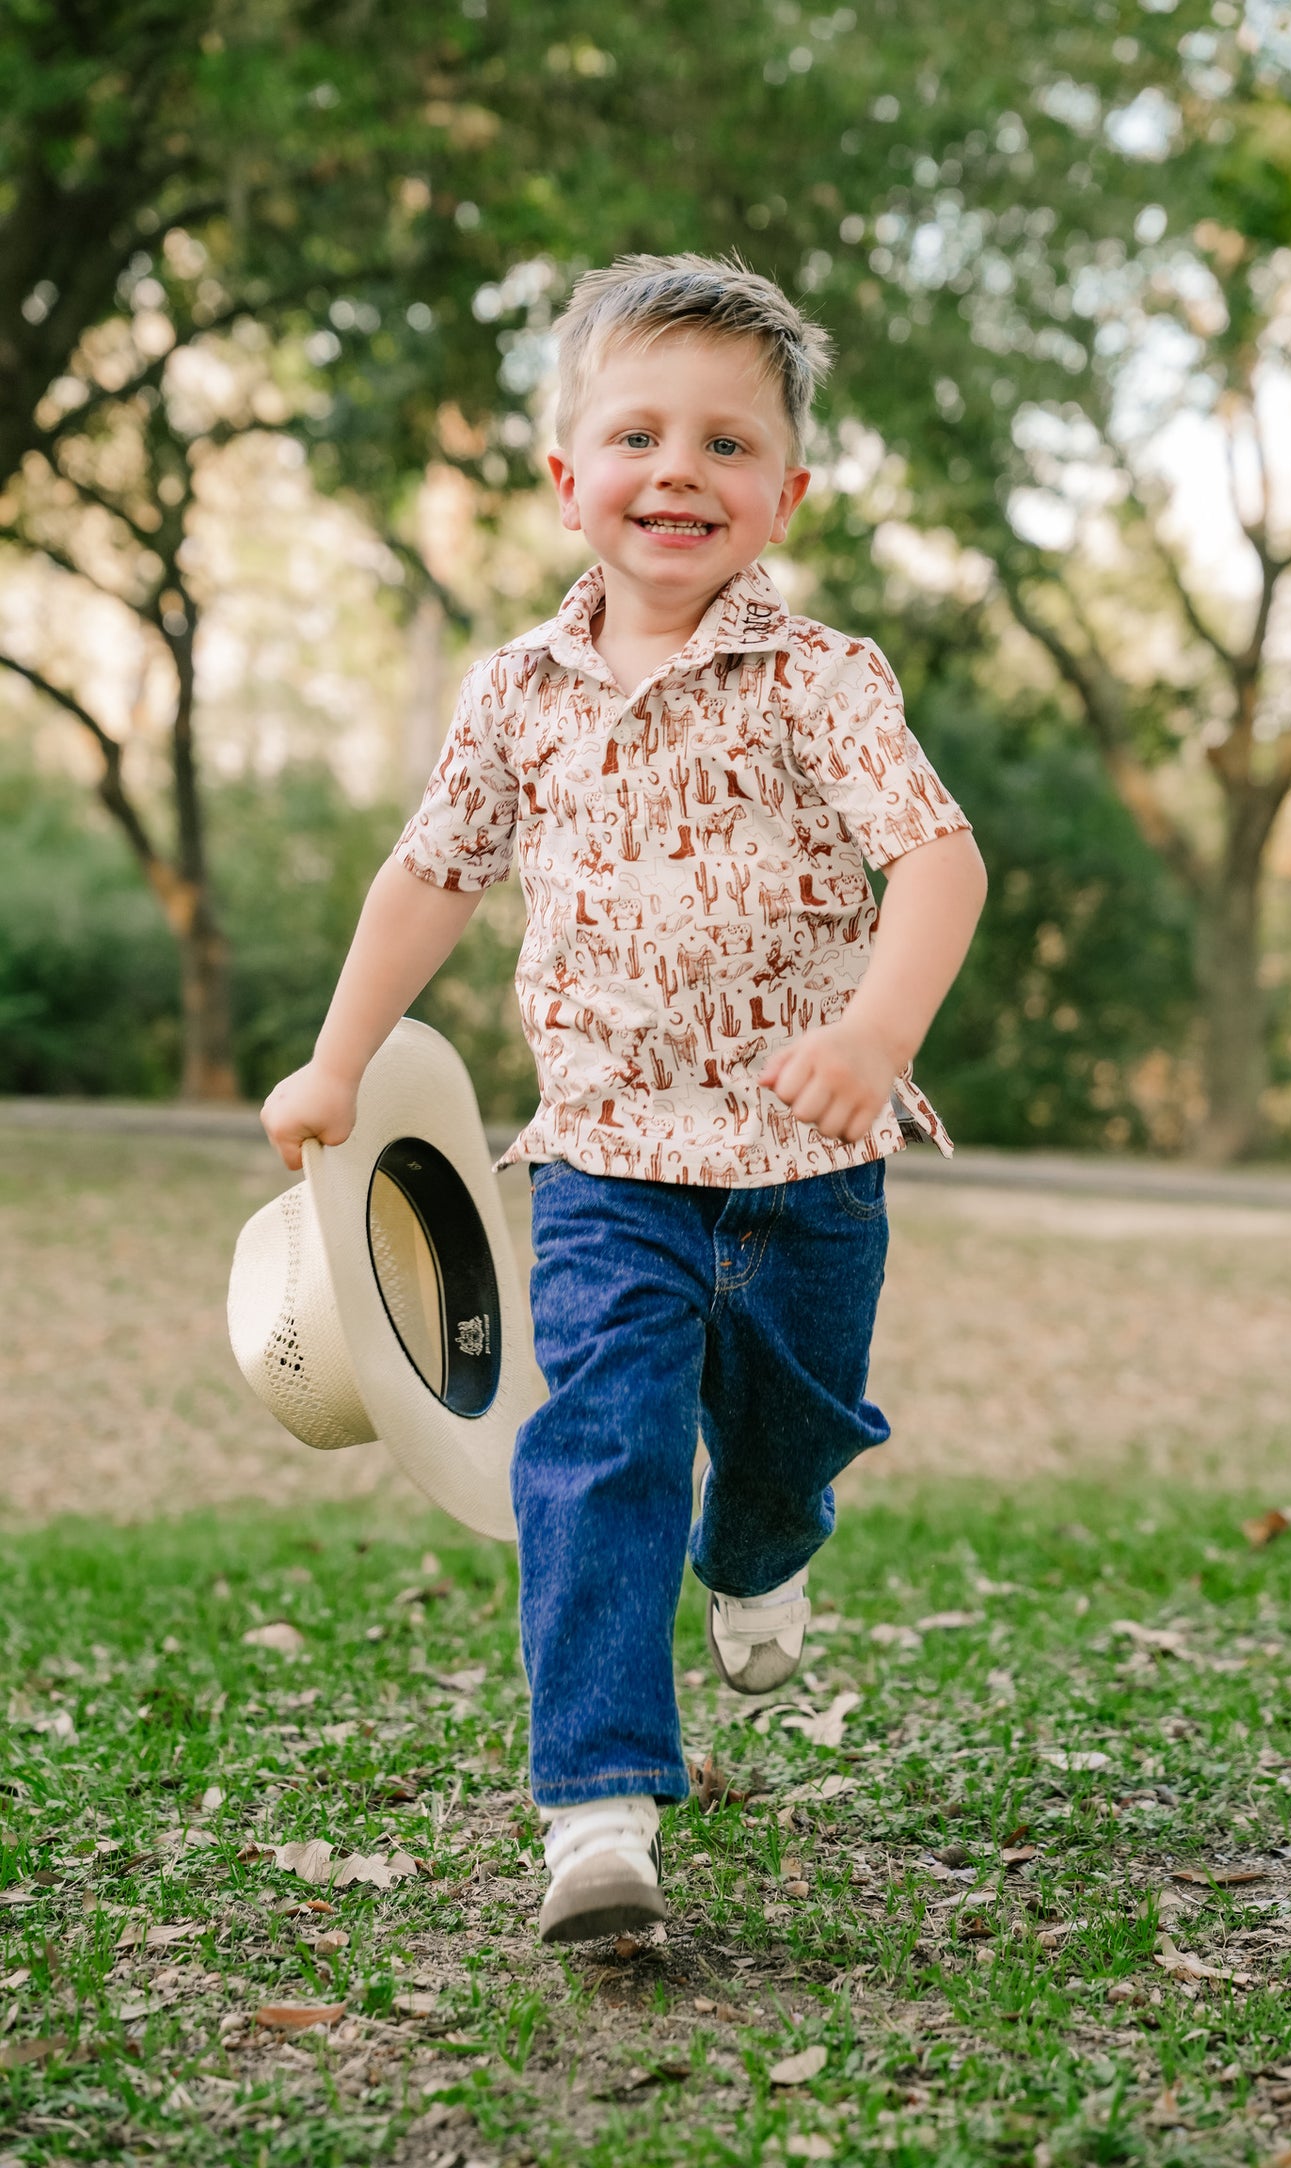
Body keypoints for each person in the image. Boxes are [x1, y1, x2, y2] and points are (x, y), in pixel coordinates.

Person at [261, 252, 987, 1945]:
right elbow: (428, 879)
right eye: (639, 434)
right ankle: (597, 1812)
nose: (681, 471)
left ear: (785, 493)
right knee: (594, 1451)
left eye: (729, 446)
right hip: (602, 1160)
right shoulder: (513, 692)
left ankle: (761, 1544)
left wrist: (874, 1036)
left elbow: (935, 862)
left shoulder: (823, 676)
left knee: (795, 1430)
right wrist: (340, 1054)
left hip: (808, 1165)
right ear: (564, 474)